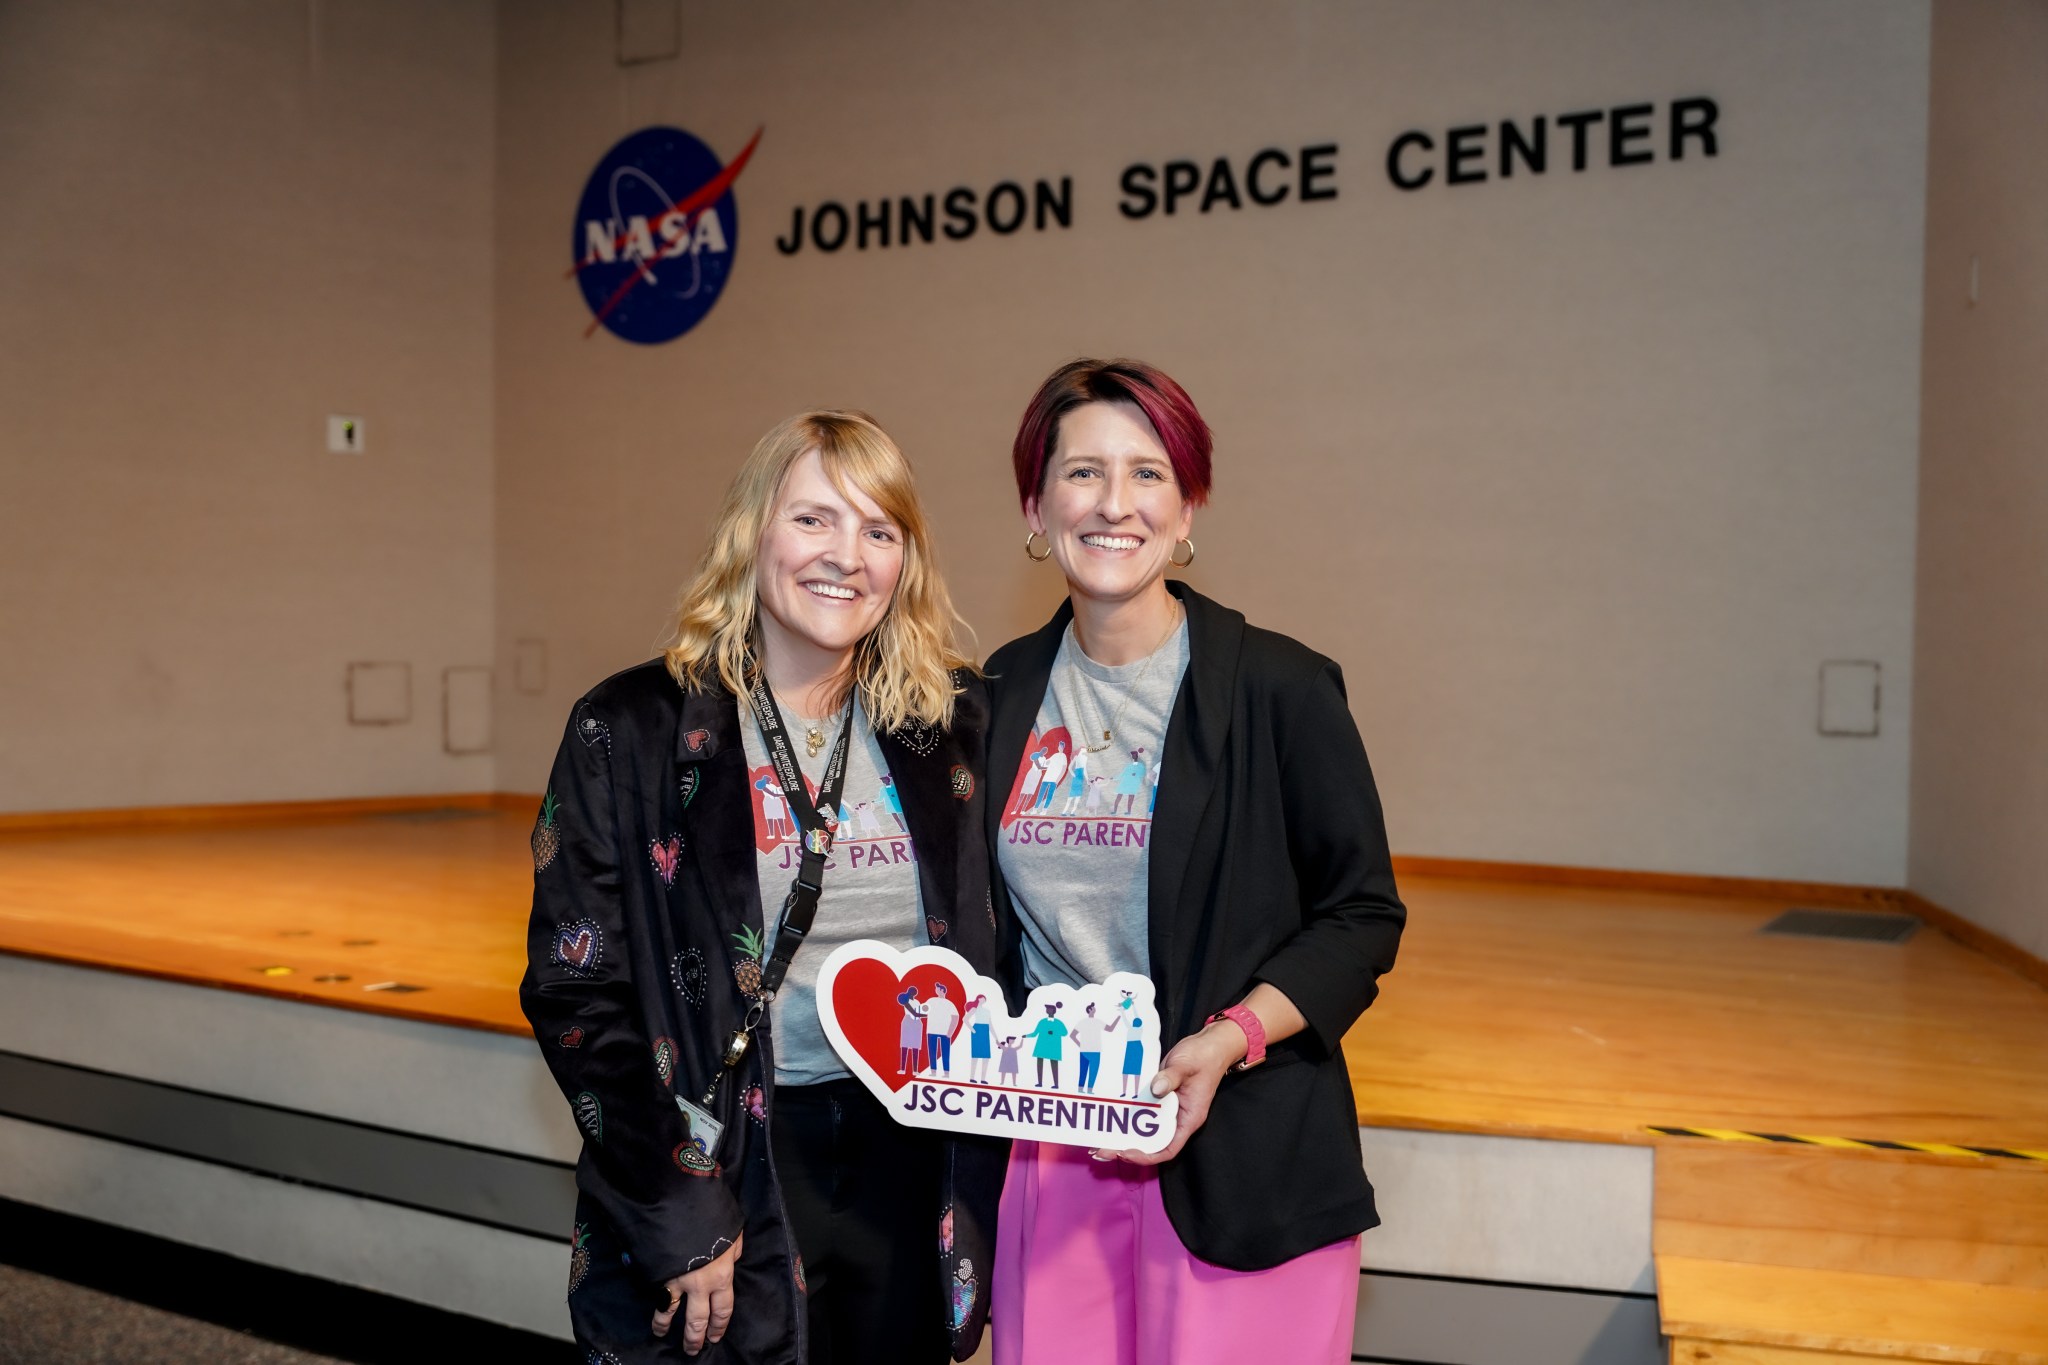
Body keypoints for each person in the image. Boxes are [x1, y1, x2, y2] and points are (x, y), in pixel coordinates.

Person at [521, 411, 1004, 1364]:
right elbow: (577, 996)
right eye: (815, 519)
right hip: (728, 1158)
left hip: (911, 1159)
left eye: (880, 530)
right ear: (754, 532)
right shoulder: (630, 729)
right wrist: (681, 1201)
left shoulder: (948, 723)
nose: (847, 556)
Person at [985, 360, 1406, 1364]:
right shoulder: (993, 694)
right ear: (1034, 511)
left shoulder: (1283, 690)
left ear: (1186, 511)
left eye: (1148, 474)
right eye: (1082, 473)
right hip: (1052, 1152)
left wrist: (1227, 1039)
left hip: (1239, 1149)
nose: (1114, 503)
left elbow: (1359, 918)